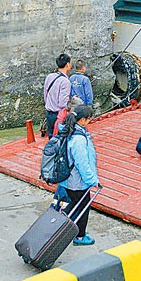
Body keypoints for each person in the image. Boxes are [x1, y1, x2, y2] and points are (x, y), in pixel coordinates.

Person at [58, 105, 99, 246]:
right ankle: (80, 236)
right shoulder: (79, 139)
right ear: (82, 120)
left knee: (73, 204)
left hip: (67, 178)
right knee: (83, 208)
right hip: (77, 181)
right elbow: (82, 163)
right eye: (88, 119)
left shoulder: (67, 131)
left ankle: (58, 227)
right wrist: (92, 180)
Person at [43, 54, 72, 139]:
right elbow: (63, 103)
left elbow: (45, 94)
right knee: (60, 139)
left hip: (49, 113)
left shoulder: (50, 76)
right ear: (67, 64)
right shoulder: (65, 82)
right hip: (59, 115)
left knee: (51, 138)